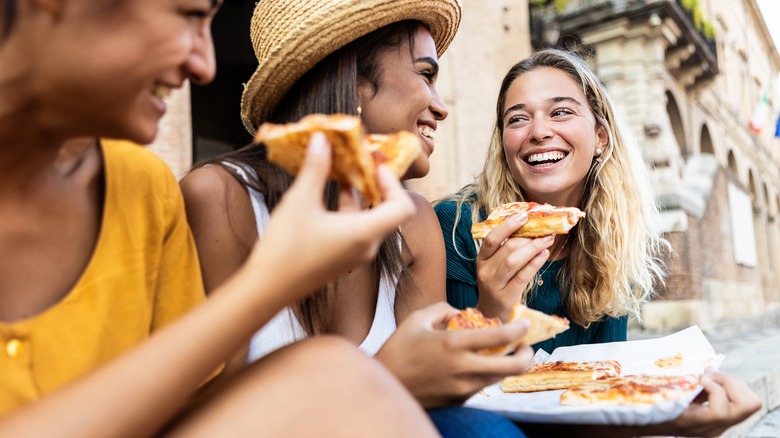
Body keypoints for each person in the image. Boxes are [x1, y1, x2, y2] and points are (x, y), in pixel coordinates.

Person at [0, 0, 439, 436]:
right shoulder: (212, 197)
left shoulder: (144, 189)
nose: (205, 67)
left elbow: (189, 411)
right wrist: (273, 284)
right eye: (190, 14)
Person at [181, 0, 534, 436]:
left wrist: (494, 309)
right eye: (426, 74)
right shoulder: (222, 197)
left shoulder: (413, 221)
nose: (441, 107)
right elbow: (208, 418)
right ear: (353, 85)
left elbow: (434, 403)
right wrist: (383, 378)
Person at [434, 48, 761, 437]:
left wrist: (667, 416)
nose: (538, 131)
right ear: (505, 144)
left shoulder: (609, 245)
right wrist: (492, 307)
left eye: (561, 112)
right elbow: (437, 395)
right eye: (517, 119)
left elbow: (599, 400)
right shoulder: (457, 228)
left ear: (600, 137)